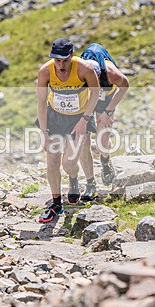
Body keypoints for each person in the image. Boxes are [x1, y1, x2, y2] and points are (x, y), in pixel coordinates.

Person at [36, 38, 100, 223]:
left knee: (69, 163)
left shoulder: (84, 69)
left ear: (72, 55)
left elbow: (95, 93)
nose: (61, 65)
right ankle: (56, 204)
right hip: (54, 117)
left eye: (65, 60)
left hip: (78, 118)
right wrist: (44, 132)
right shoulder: (45, 71)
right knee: (52, 161)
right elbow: (41, 103)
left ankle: (73, 179)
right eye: (57, 60)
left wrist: (85, 119)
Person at [77, 43, 130, 200]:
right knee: (83, 139)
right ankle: (90, 182)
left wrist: (109, 110)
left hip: (105, 98)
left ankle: (105, 161)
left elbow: (125, 85)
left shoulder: (111, 73)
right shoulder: (78, 71)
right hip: (85, 99)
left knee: (102, 139)